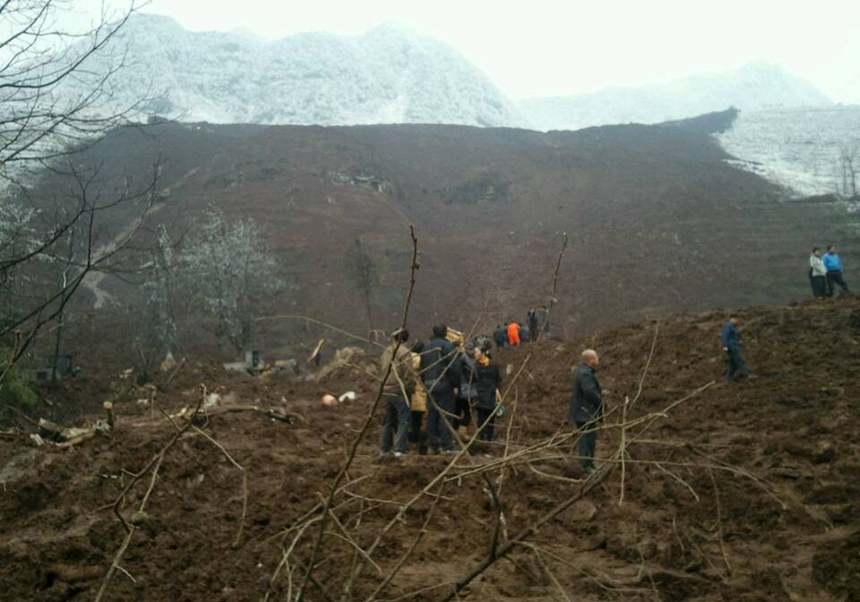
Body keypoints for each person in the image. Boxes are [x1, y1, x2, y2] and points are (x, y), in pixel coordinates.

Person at [420, 324, 460, 454]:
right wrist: (455, 385)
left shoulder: (426, 347)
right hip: (444, 385)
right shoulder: (447, 346)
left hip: (429, 385)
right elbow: (453, 367)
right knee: (446, 416)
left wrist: (425, 383)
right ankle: (446, 446)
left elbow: (422, 368)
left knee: (432, 416)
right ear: (445, 333)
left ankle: (432, 445)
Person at [379, 328, 416, 458]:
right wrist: (410, 388)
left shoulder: (386, 351)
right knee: (404, 420)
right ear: (406, 338)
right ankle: (400, 449)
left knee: (389, 421)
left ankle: (384, 449)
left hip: (386, 390)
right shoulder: (405, 353)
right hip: (400, 390)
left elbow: (382, 370)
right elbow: (408, 374)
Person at [569, 349, 603, 474]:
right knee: (587, 439)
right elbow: (590, 392)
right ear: (591, 360)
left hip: (582, 412)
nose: (598, 359)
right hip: (585, 413)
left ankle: (589, 464)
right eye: (596, 357)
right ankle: (586, 466)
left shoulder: (582, 371)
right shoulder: (585, 373)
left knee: (588, 438)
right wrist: (600, 401)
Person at [472, 341, 503, 442]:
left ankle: (489, 437)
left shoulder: (493, 364)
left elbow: (498, 379)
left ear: (483, 353)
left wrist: (498, 389)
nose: (475, 354)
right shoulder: (474, 366)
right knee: (481, 417)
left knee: (491, 416)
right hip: (479, 394)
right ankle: (481, 437)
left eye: (477, 352)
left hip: (491, 393)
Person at [408, 341, 428, 453]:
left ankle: (408, 444)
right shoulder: (420, 362)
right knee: (417, 421)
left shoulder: (405, 359)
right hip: (418, 394)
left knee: (408, 420)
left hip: (407, 394)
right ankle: (414, 443)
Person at [454, 341, 477, 438]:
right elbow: (474, 371)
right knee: (468, 412)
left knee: (456, 411)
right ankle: (462, 433)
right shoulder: (467, 358)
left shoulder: (455, 358)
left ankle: (454, 432)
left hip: (456, 388)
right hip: (466, 389)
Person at [721, 314, 749, 382]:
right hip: (732, 347)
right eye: (736, 319)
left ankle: (729, 378)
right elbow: (725, 336)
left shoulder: (733, 327)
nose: (737, 321)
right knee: (739, 360)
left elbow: (734, 336)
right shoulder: (728, 326)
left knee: (732, 364)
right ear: (732, 319)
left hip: (734, 346)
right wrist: (725, 346)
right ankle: (747, 374)